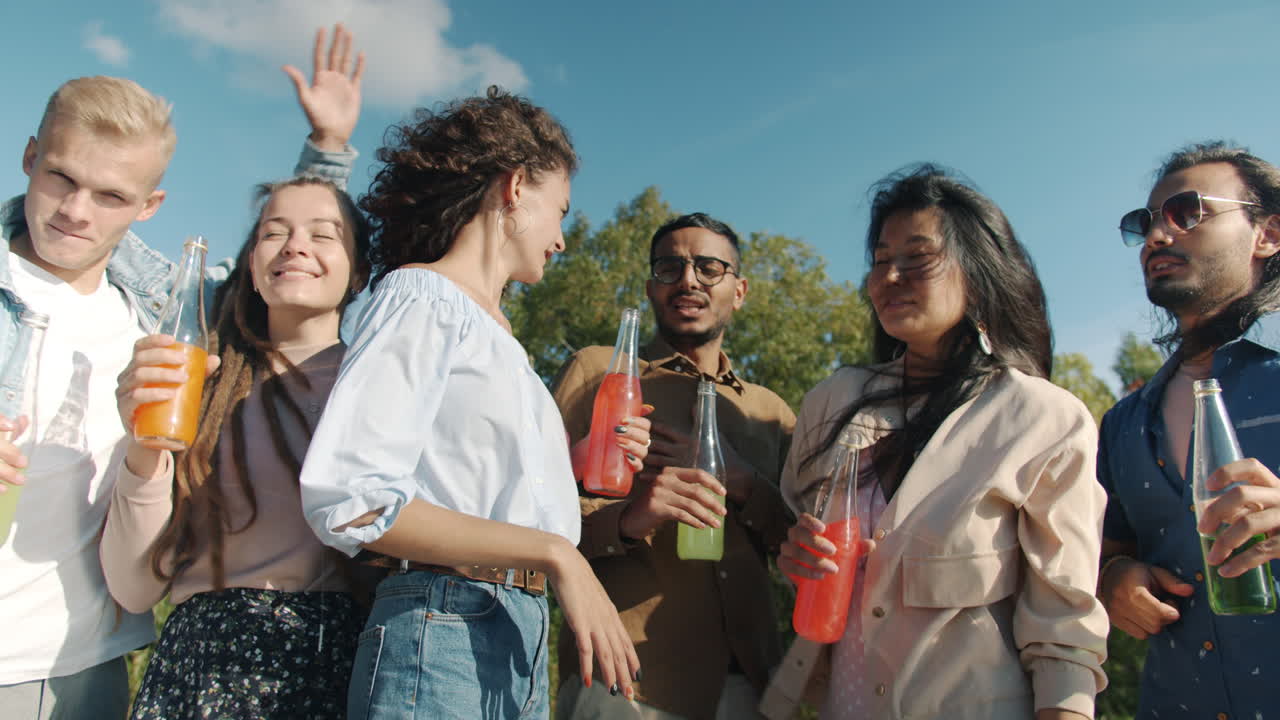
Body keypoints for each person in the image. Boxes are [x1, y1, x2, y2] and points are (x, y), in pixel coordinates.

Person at [0, 25, 360, 719]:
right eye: (61, 178)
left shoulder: (167, 313)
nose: (76, 212)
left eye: (109, 196)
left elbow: (282, 260)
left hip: (86, 666)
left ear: (148, 207)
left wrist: (327, 153)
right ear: (28, 157)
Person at [298, 86, 641, 720]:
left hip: (516, 634)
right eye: (560, 211)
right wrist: (557, 553)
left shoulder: (502, 338)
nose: (562, 239)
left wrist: (578, 464)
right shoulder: (419, 298)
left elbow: (467, 481)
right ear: (515, 188)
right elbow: (352, 498)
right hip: (444, 624)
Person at [762, 166, 1108, 720]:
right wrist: (795, 554)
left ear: (979, 272)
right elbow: (800, 534)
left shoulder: (1042, 419)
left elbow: (1064, 626)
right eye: (879, 260)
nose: (889, 276)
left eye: (916, 258)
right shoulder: (832, 402)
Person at [101, 175, 371, 719]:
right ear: (251, 263)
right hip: (195, 668)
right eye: (275, 232)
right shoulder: (199, 381)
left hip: (327, 667)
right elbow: (133, 588)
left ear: (359, 270)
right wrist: (143, 447)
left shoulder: (378, 384)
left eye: (323, 235)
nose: (295, 245)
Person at [552, 212, 796, 720]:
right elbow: (526, 516)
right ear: (650, 287)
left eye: (709, 267)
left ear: (740, 289)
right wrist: (630, 517)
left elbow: (802, 547)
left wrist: (746, 482)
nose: (688, 279)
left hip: (753, 685)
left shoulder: (770, 412)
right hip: (626, 681)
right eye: (670, 267)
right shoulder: (599, 373)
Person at [1097, 141, 1280, 719]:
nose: (1157, 236)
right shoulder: (1124, 423)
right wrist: (1116, 579)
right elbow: (1109, 551)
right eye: (1144, 224)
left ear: (1267, 235)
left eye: (1187, 212)